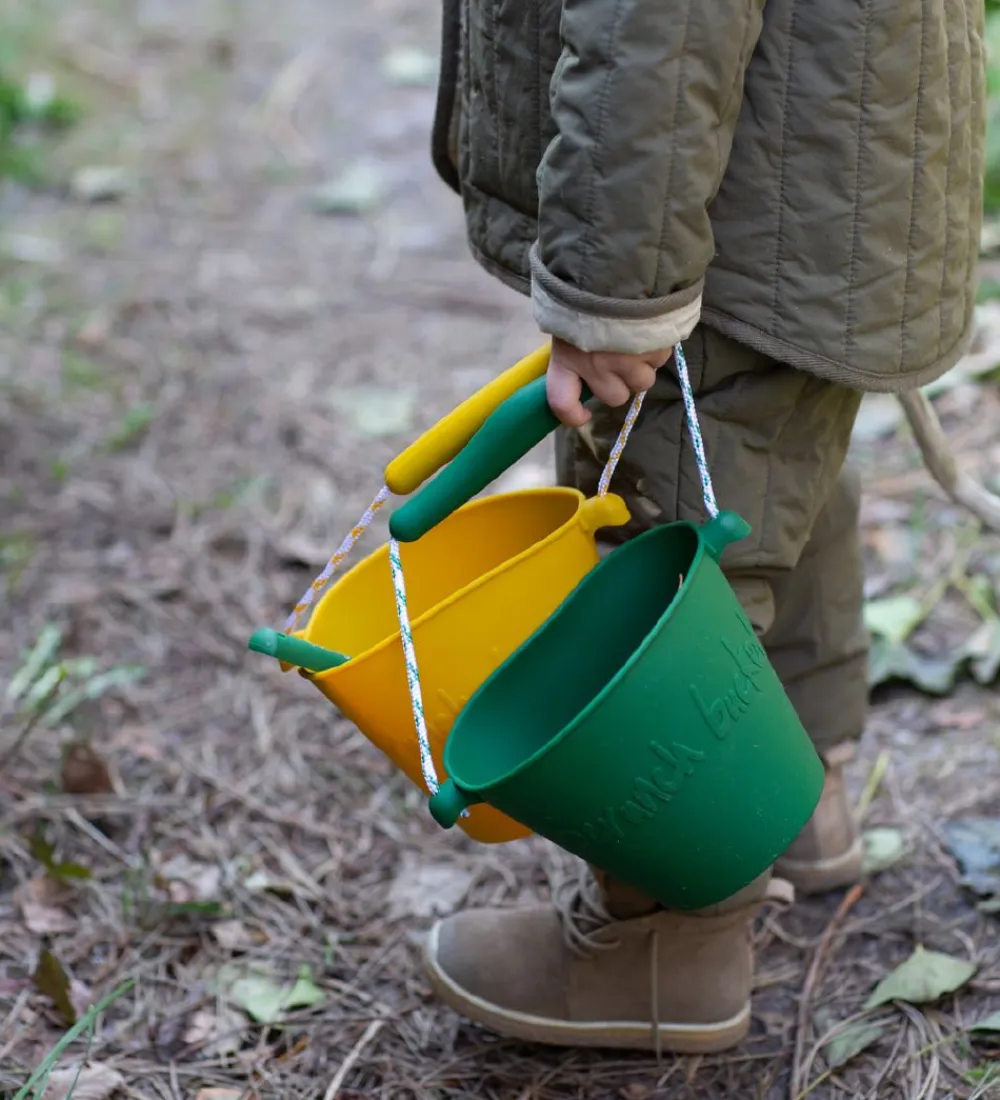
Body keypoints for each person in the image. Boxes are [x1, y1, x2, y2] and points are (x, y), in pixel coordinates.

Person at [422, 0, 986, 1054]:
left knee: (666, 527)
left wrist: (613, 292)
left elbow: (659, 27)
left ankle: (659, 945)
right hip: (813, 167)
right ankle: (797, 799)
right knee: (770, 473)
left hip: (720, 209)